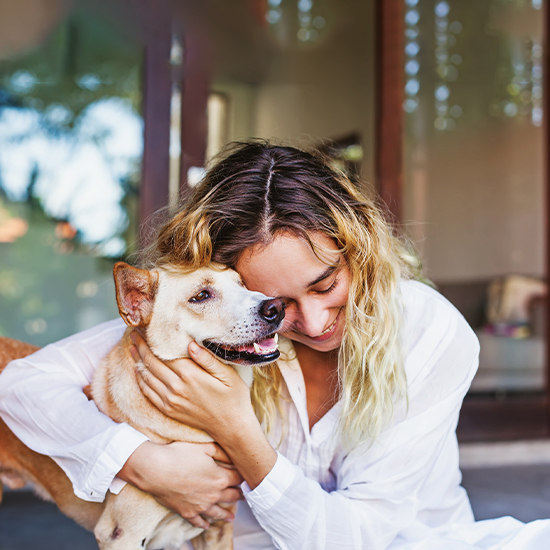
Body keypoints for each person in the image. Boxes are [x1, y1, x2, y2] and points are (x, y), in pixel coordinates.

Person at [0, 140, 549, 549]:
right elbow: (22, 383)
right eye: (273, 303)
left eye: (326, 284)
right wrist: (142, 463)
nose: (312, 323)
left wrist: (236, 429)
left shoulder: (427, 328)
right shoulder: (218, 322)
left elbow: (354, 537)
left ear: (358, 247)